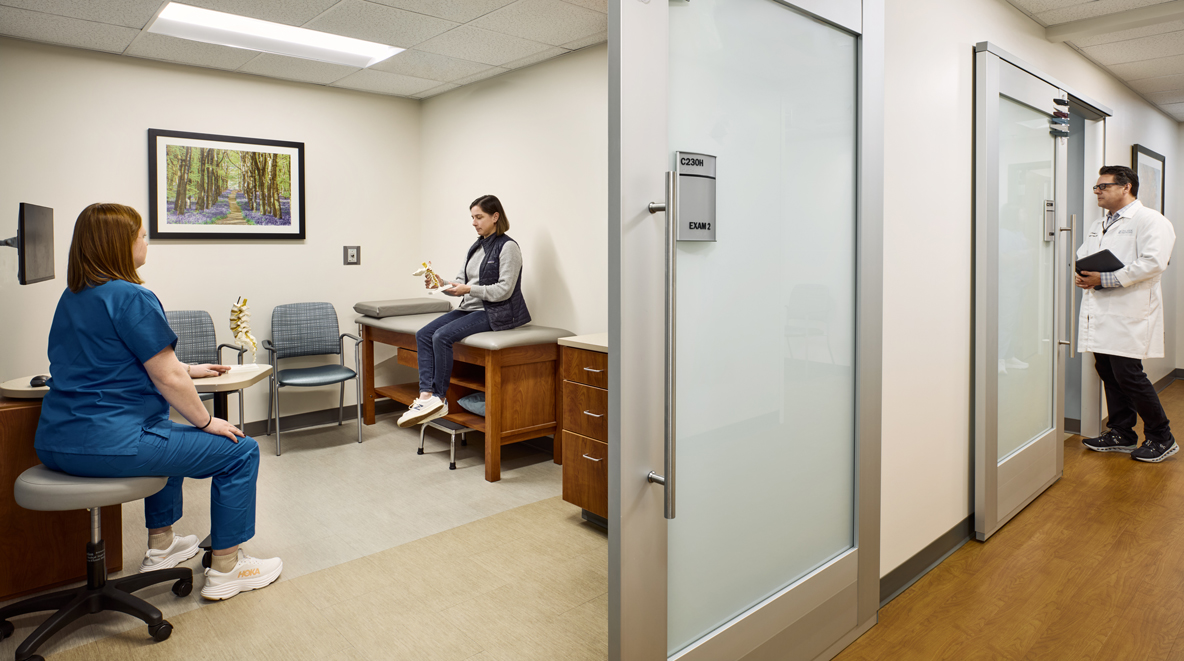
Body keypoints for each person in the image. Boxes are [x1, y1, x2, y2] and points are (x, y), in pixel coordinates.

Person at [34, 203, 282, 600]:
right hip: (112, 444)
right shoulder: (132, 296)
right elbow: (164, 377)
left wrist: (186, 367)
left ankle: (162, 546)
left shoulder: (74, 296)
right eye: (141, 235)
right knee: (241, 450)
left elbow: (115, 358)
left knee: (167, 433)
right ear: (118, 245)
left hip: (56, 442)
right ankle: (226, 568)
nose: (146, 242)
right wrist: (205, 422)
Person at [397, 195, 531, 427]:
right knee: (423, 334)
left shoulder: (508, 246)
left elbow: (505, 290)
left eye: (479, 217)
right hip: (470, 309)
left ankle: (439, 398)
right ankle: (425, 397)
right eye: (472, 217)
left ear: (495, 217)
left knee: (442, 336)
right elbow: (460, 283)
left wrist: (468, 288)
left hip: (497, 312)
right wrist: (441, 284)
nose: (474, 222)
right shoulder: (476, 247)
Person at [1076, 166, 1178, 462]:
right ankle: (1122, 432)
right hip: (1103, 309)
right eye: (1096, 187)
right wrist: (1082, 273)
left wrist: (1104, 279)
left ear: (1126, 187)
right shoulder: (1101, 222)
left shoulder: (1150, 221)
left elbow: (1154, 262)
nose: (1097, 191)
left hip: (1130, 310)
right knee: (1107, 370)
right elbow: (1085, 254)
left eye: (1103, 186)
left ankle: (1162, 436)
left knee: (1129, 375)